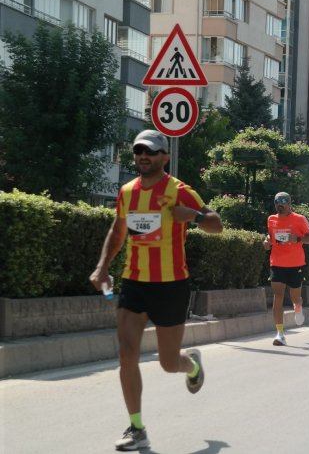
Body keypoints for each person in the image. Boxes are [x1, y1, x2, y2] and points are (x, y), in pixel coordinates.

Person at [89, 129, 223, 451]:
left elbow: (216, 224)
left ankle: (190, 364)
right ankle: (137, 428)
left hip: (171, 284)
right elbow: (118, 230)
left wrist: (191, 215)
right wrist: (102, 266)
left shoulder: (179, 191)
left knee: (167, 362)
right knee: (126, 353)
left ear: (165, 156)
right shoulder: (127, 191)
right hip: (134, 282)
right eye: (138, 152)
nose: (143, 157)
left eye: (149, 151)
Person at [263, 192, 309, 346]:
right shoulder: (271, 219)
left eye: (284, 202)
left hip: (295, 264)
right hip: (277, 263)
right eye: (277, 202)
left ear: (289, 203)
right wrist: (266, 242)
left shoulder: (299, 219)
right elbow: (270, 238)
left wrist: (298, 238)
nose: (280, 204)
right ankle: (280, 334)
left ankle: (297, 306)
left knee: (294, 297)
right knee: (277, 295)